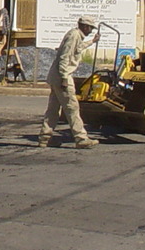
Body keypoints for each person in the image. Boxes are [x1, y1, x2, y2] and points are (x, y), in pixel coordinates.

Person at [38, 15, 100, 149]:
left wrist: (92, 42)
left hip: (56, 77)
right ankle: (81, 138)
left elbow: (77, 49)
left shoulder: (76, 36)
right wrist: (64, 78)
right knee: (72, 108)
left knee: (53, 110)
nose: (91, 31)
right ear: (85, 26)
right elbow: (64, 57)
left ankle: (45, 137)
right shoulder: (74, 36)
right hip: (62, 77)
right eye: (90, 28)